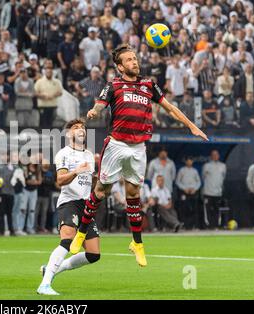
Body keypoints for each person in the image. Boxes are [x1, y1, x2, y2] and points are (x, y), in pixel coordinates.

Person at [70, 45, 207, 267]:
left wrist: (191, 126)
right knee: (101, 191)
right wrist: (95, 111)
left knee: (134, 195)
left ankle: (137, 244)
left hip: (139, 147)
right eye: (129, 60)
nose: (134, 62)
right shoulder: (113, 85)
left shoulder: (148, 84)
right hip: (116, 145)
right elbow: (100, 104)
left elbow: (170, 108)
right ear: (120, 66)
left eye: (135, 58)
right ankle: (82, 232)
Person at [37, 119, 100, 295]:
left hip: (85, 205)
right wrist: (75, 172)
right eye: (76, 128)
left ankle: (51, 269)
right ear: (68, 134)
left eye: (82, 128)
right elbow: (60, 180)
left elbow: (91, 182)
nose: (81, 130)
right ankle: (45, 285)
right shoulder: (63, 154)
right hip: (69, 202)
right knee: (67, 241)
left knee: (94, 254)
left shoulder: (89, 155)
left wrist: (100, 178)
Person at [202, 150, 227, 229]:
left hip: (218, 193)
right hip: (208, 192)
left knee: (217, 210)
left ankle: (216, 225)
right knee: (208, 210)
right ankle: (209, 225)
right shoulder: (206, 166)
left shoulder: (223, 166)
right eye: (213, 155)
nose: (215, 156)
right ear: (211, 156)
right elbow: (203, 177)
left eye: (216, 154)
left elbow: (223, 177)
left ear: (218, 156)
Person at [175, 157, 201, 229]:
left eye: (190, 161)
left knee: (194, 209)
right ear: (186, 162)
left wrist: (194, 189)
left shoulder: (195, 171)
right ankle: (184, 225)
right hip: (184, 192)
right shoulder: (182, 170)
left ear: (192, 162)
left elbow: (198, 182)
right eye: (188, 161)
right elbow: (178, 181)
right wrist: (184, 189)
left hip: (193, 192)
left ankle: (194, 225)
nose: (189, 163)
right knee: (184, 209)